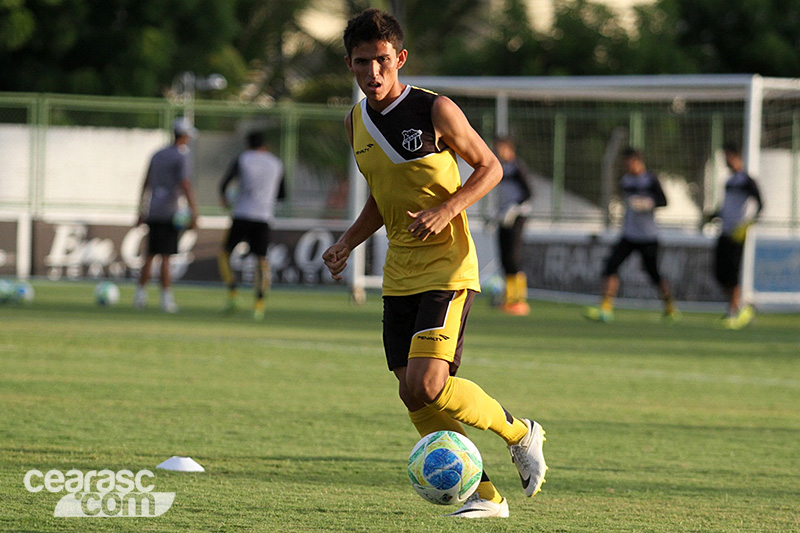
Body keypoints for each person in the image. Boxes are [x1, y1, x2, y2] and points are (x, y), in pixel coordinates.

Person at [321, 9, 546, 519]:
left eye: (381, 60)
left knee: (427, 383)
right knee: (412, 394)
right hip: (399, 272)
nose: (373, 73)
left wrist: (447, 208)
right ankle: (486, 498)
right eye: (361, 63)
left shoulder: (435, 110)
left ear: (399, 58)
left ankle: (520, 432)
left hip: (448, 266)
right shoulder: (355, 121)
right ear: (350, 65)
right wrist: (349, 242)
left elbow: (491, 168)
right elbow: (383, 197)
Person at [584, 147, 677, 322]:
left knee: (653, 273)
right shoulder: (625, 181)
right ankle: (605, 308)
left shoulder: (650, 179)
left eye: (629, 163)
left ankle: (670, 306)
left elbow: (663, 201)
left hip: (648, 236)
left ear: (638, 161)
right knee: (611, 266)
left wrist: (647, 203)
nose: (627, 167)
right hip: (629, 234)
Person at [134, 117, 199, 313]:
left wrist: (140, 210)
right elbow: (185, 184)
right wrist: (194, 211)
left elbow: (145, 183)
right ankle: (166, 299)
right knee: (166, 257)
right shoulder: (181, 156)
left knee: (149, 254)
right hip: (170, 211)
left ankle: (140, 295)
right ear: (184, 136)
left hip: (153, 209)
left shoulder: (157, 154)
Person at [217, 131, 285, 320]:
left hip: (241, 214)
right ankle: (259, 305)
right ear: (265, 145)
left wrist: (227, 199)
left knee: (224, 254)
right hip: (263, 217)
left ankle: (233, 295)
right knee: (262, 261)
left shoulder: (243, 159)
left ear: (248, 145)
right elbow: (282, 194)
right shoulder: (276, 163)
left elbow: (224, 185)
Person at [705, 143, 763, 329]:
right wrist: (714, 215)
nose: (726, 161)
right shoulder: (729, 181)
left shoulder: (747, 180)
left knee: (732, 272)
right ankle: (740, 307)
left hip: (737, 233)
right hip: (724, 230)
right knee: (719, 273)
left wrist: (748, 223)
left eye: (728, 157)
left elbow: (761, 203)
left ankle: (734, 311)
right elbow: (727, 206)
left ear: (736, 157)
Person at [493, 136, 533, 316]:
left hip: (517, 217)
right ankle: (509, 298)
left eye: (500, 148)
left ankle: (520, 299)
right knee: (504, 259)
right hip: (503, 216)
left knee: (514, 257)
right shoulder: (499, 166)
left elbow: (529, 193)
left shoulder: (517, 167)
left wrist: (513, 209)